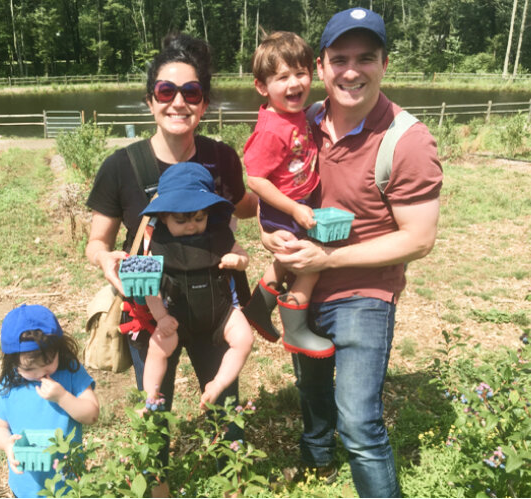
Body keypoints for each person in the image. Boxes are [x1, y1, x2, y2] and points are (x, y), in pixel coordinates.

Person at [260, 8, 443, 497]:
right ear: (320, 66)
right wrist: (267, 236)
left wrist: (329, 261)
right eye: (339, 58)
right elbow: (269, 190)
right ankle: (317, 463)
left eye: (366, 58)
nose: (351, 70)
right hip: (304, 284)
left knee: (359, 422)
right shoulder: (304, 121)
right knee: (313, 391)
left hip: (364, 292)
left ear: (384, 64)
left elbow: (419, 238)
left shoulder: (407, 140)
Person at [85, 32, 257, 488]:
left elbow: (246, 207)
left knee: (225, 402)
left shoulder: (221, 158)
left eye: (191, 92)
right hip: (154, 309)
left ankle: (231, 481)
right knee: (154, 403)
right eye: (166, 91)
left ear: (204, 103)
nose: (178, 102)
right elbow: (96, 242)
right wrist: (108, 261)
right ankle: (155, 484)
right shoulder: (122, 166)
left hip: (215, 305)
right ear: (150, 100)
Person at [241, 31, 334, 359]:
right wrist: (293, 209)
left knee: (286, 262)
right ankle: (295, 330)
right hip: (285, 207)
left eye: (301, 73)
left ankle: (256, 308)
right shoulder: (270, 129)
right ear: (262, 87)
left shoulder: (293, 115)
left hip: (296, 203)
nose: (294, 83)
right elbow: (256, 180)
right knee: (311, 262)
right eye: (282, 77)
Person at [139, 162, 254, 410]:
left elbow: (242, 255)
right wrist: (160, 316)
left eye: (199, 218)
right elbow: (149, 286)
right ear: (163, 216)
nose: (192, 225)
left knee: (244, 339)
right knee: (157, 348)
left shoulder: (219, 235)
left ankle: (219, 383)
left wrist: (239, 260)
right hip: (176, 315)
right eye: (181, 221)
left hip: (220, 312)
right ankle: (151, 393)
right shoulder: (156, 242)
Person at [0, 304, 99, 498]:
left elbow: (91, 415)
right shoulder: (9, 385)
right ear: (12, 362)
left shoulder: (70, 372)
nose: (41, 373)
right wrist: (7, 444)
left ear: (59, 349)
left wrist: (63, 397)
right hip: (26, 488)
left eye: (48, 363)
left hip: (70, 484)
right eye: (30, 369)